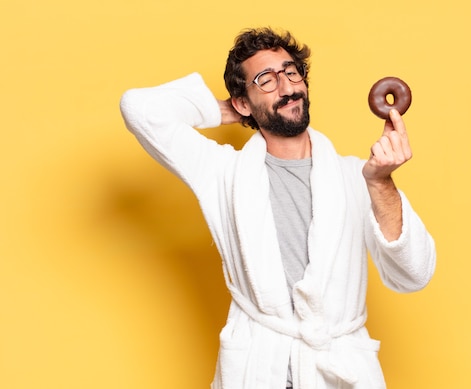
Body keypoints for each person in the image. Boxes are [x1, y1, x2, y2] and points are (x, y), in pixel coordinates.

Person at [120, 27, 436, 389]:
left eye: (290, 72)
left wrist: (381, 183)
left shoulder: (357, 176)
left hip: (338, 370)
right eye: (266, 80)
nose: (287, 88)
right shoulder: (223, 173)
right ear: (243, 101)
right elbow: (138, 107)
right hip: (258, 370)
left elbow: (414, 274)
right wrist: (228, 111)